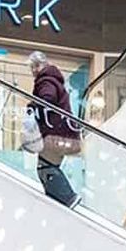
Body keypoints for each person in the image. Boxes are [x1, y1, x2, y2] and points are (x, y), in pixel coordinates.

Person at [28, 52, 81, 208]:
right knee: (47, 166)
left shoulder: (46, 80)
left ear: (43, 65)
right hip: (65, 134)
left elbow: (48, 98)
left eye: (35, 66)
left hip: (57, 134)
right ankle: (58, 201)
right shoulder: (54, 80)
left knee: (44, 167)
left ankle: (68, 197)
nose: (33, 71)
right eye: (32, 67)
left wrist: (33, 105)